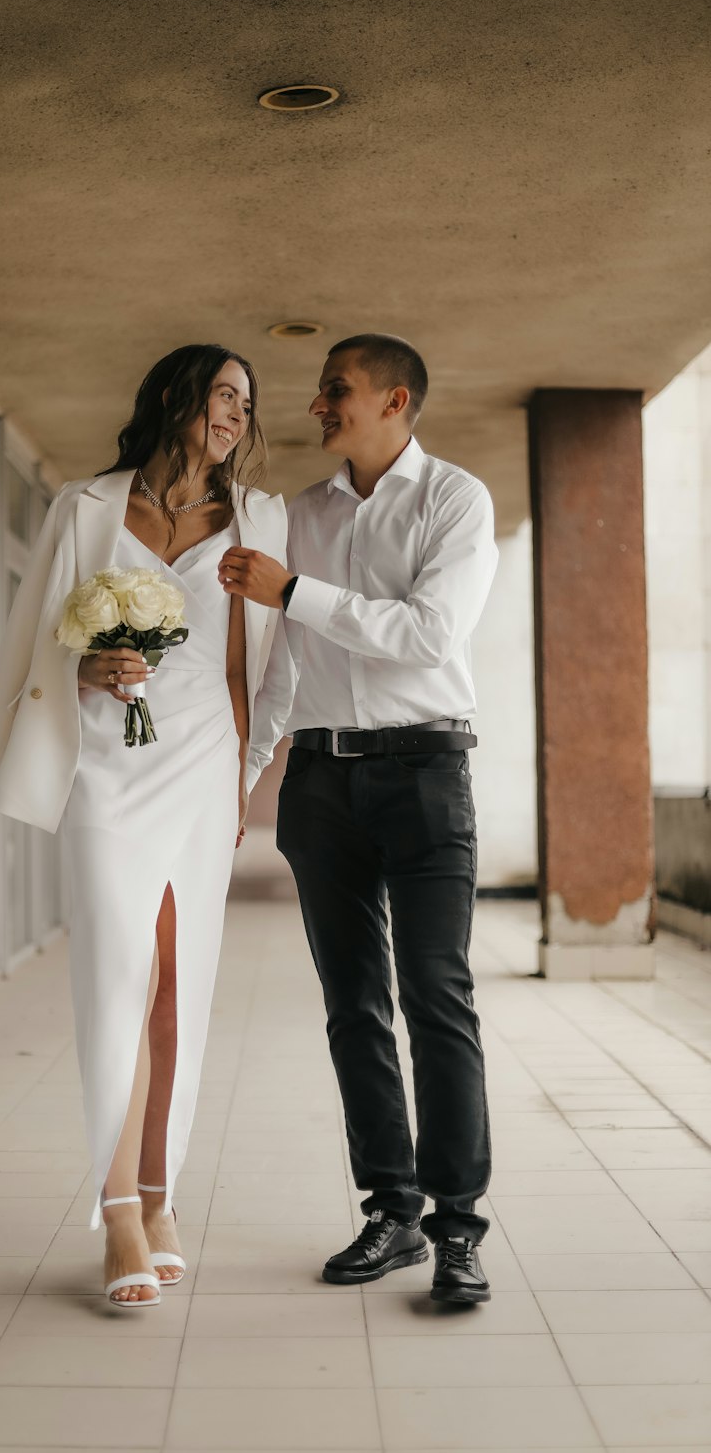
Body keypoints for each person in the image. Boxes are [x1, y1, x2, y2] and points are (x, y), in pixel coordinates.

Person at [0, 344, 286, 1307]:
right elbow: (35, 642)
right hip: (109, 768)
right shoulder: (88, 508)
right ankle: (114, 1215)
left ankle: (160, 1198)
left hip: (200, 767)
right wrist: (84, 671)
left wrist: (244, 777)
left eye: (245, 402)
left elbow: (257, 668)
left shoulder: (259, 520)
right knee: (118, 973)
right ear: (172, 399)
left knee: (177, 989)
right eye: (221, 394)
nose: (234, 414)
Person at [218, 333, 498, 1304]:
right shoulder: (300, 515)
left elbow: (428, 637)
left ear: (396, 400)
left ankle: (460, 1226)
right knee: (351, 1006)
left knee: (436, 997)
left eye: (336, 389)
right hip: (320, 786)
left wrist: (293, 590)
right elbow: (282, 673)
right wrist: (237, 790)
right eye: (321, 390)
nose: (317, 406)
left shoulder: (455, 500)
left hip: (426, 769)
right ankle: (393, 1213)